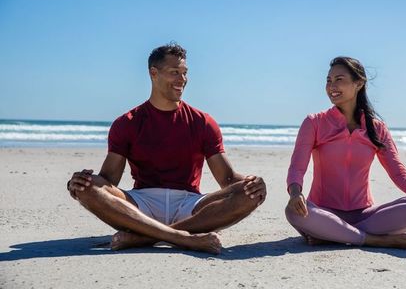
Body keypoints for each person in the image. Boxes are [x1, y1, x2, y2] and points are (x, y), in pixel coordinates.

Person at [67, 43, 266, 254]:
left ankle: (146, 237)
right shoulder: (127, 123)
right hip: (141, 204)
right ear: (154, 73)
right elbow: (108, 180)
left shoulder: (203, 122)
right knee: (85, 186)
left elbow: (227, 179)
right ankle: (181, 237)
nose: (182, 79)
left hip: (190, 205)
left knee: (250, 193)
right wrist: (81, 183)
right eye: (174, 73)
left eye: (184, 73)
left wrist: (253, 184)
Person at [285, 56, 406, 250]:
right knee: (294, 212)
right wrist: (295, 194)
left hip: (365, 215)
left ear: (359, 83)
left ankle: (335, 235)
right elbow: (297, 166)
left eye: (339, 79)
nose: (332, 86)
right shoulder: (315, 122)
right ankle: (374, 240)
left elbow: (397, 171)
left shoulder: (376, 128)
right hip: (323, 212)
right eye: (328, 80)